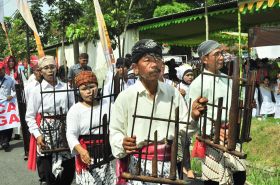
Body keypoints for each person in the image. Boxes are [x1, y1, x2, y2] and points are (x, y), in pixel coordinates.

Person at [109, 39, 207, 185]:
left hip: (169, 167)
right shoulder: (125, 97)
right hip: (137, 168)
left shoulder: (173, 94)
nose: (154, 64)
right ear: (135, 68)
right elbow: (115, 132)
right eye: (147, 60)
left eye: (158, 60)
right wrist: (123, 143)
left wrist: (193, 117)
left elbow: (183, 130)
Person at [189, 40, 246, 185]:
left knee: (239, 175)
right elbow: (195, 115)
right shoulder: (198, 83)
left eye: (222, 53)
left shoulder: (227, 79)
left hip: (231, 134)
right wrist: (213, 132)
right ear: (205, 59)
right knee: (214, 179)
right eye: (217, 54)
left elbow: (233, 106)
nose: (221, 57)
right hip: (211, 138)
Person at [26, 55, 75, 185]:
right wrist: (38, 135)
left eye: (52, 67)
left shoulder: (66, 87)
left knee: (69, 168)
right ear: (41, 71)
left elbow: (73, 111)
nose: (50, 70)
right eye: (46, 68)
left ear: (56, 68)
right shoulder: (37, 91)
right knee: (48, 172)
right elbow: (29, 116)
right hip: (46, 131)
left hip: (65, 129)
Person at [66, 71, 116, 185]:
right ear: (79, 91)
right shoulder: (75, 110)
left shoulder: (108, 106)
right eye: (84, 88)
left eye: (92, 87)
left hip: (106, 153)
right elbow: (71, 134)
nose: (89, 91)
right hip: (87, 153)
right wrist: (81, 151)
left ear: (97, 87)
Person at [0, 61, 15, 151]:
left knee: (8, 124)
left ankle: (6, 141)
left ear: (3, 69)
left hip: (7, 105)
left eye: (0, 70)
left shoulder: (10, 79)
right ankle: (2, 140)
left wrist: (11, 96)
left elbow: (15, 90)